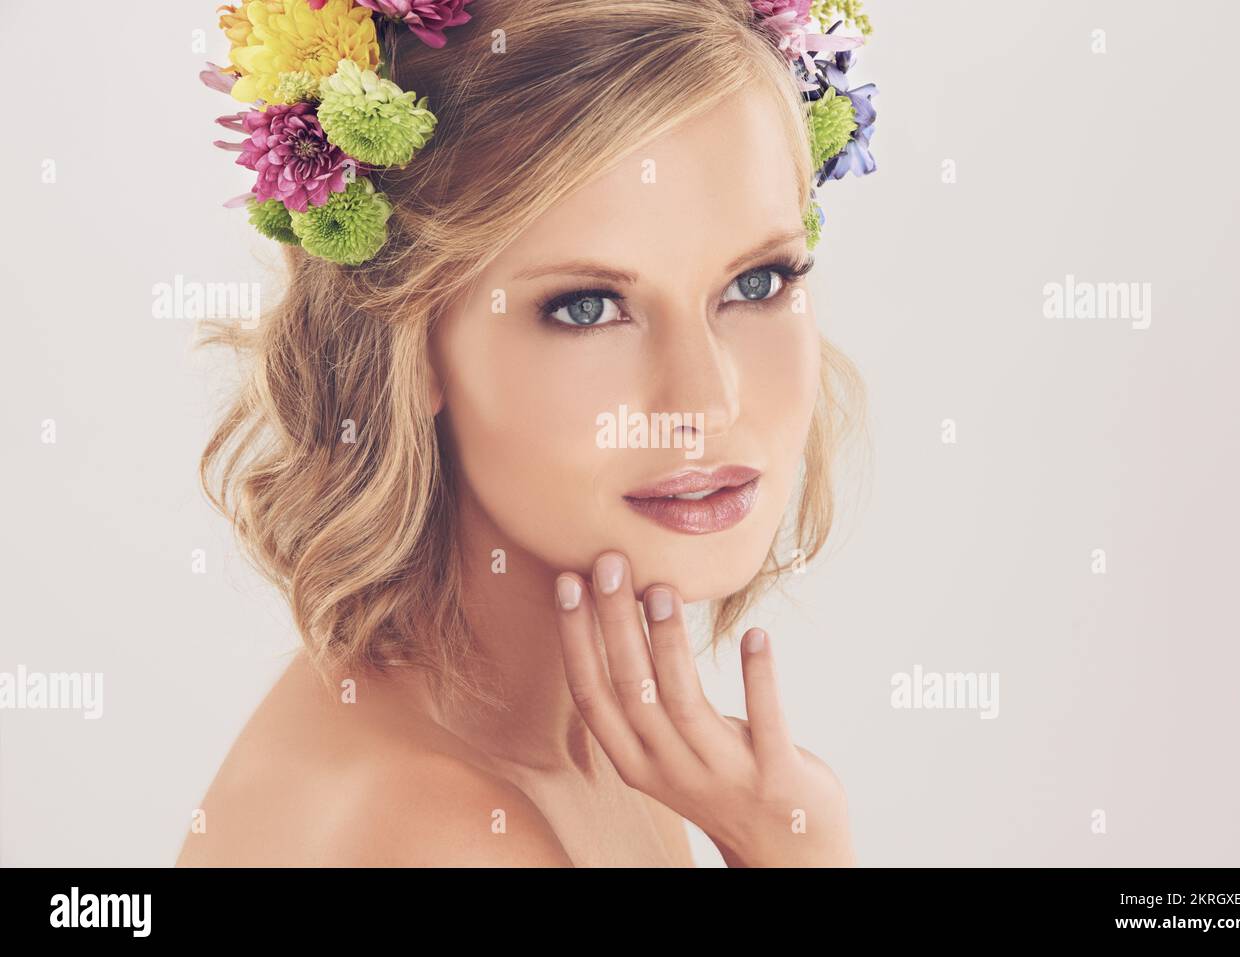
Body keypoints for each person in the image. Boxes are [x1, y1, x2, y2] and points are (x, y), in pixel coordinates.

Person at [179, 0, 868, 867]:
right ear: (414, 341)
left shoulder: (606, 749)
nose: (707, 400)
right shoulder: (436, 831)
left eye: (758, 282)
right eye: (589, 307)